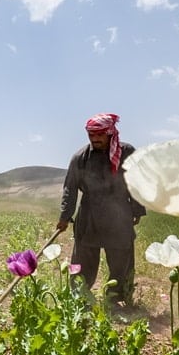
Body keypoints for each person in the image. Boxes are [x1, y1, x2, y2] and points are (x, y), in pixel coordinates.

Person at [56, 113, 145, 305]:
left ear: (110, 133)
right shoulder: (81, 157)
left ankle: (117, 299)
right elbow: (70, 188)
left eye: (100, 135)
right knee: (83, 259)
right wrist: (65, 215)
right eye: (91, 135)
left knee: (121, 259)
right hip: (90, 215)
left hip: (119, 214)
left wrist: (137, 209)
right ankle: (80, 298)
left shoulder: (127, 153)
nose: (95, 139)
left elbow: (138, 181)